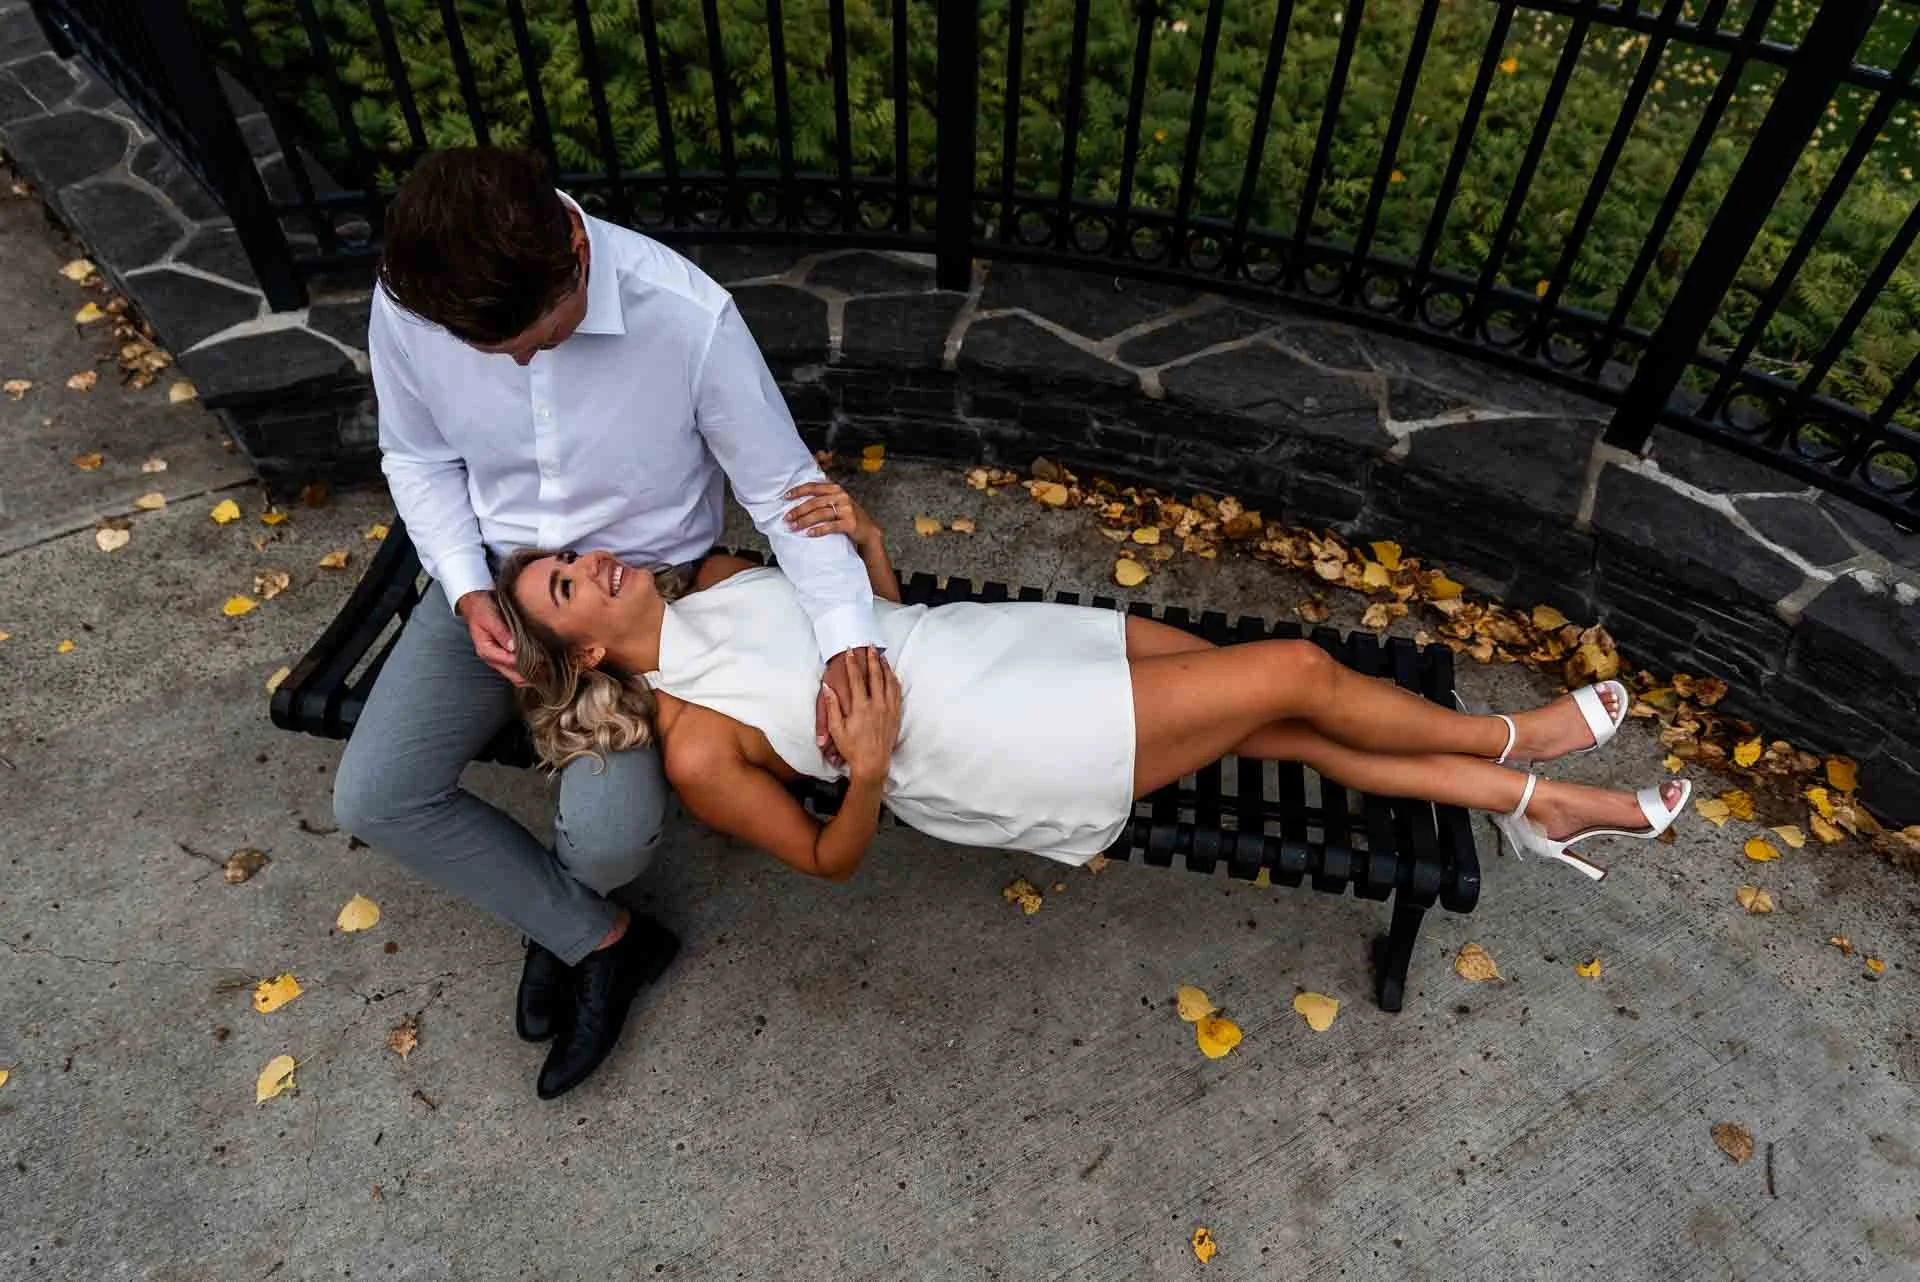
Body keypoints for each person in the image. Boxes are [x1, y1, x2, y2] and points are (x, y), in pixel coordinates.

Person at [331, 147, 888, 1101]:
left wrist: (850, 642)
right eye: (492, 353)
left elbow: (782, 489)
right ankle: (600, 938)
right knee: (374, 797)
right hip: (498, 583)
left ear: (577, 253)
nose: (518, 362)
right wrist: (467, 589)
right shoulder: (414, 300)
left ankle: (568, 906)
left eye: (537, 340)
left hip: (642, 607)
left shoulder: (689, 317)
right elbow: (416, 458)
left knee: (613, 842)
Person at [494, 483, 1690, 899]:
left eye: (571, 556)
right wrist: (864, 765)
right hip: (998, 738)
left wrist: (862, 543)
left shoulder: (712, 580)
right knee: (1300, 677)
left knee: (1296, 728)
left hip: (1001, 644)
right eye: (563, 586)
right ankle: (1520, 737)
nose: (588, 562)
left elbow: (878, 625)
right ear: (586, 654)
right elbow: (830, 861)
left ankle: (1535, 806)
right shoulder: (698, 748)